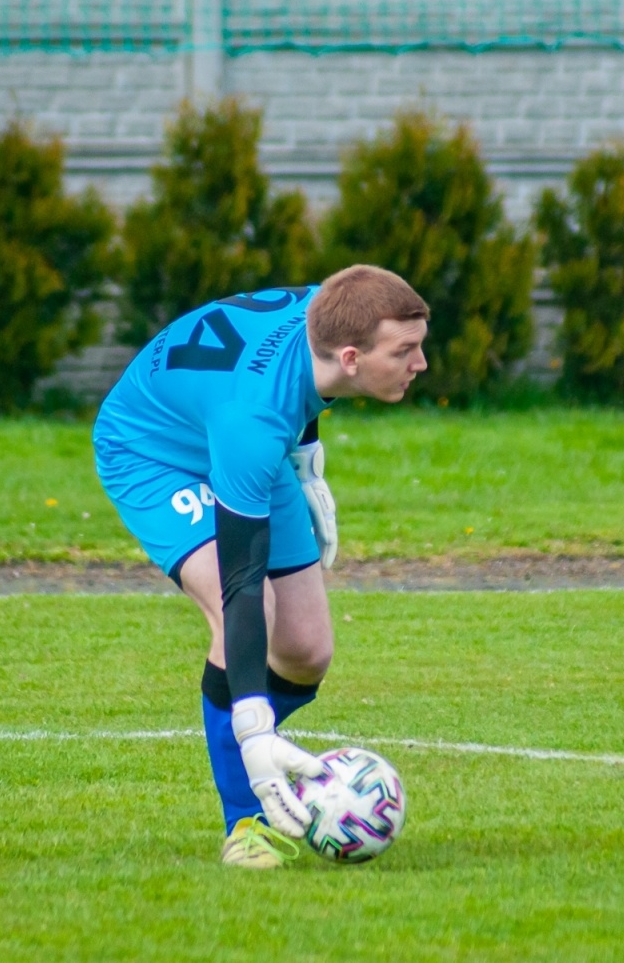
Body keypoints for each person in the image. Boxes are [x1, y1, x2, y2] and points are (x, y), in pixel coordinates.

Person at [93, 264, 429, 868]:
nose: (421, 363)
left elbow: (300, 384)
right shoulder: (253, 418)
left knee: (306, 650)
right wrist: (254, 732)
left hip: (247, 443)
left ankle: (249, 733)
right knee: (252, 616)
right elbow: (242, 588)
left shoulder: (328, 309)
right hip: (154, 453)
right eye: (405, 350)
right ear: (351, 357)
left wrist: (306, 460)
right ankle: (245, 815)